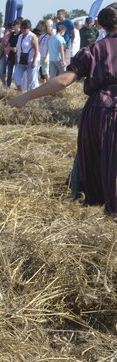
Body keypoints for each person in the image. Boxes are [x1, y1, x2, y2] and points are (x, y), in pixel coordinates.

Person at [12, 4, 117, 215]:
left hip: (97, 112)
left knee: (98, 165)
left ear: (100, 25)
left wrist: (27, 95)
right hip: (108, 111)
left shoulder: (93, 50)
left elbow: (63, 81)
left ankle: (101, 212)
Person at [13, 19, 39, 93]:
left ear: (29, 28)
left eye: (25, 28)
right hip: (21, 61)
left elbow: (36, 50)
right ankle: (22, 92)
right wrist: (16, 59)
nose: (23, 29)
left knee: (31, 81)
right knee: (16, 78)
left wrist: (34, 62)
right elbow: (18, 48)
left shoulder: (33, 37)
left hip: (30, 61)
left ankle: (33, 96)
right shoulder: (20, 36)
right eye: (22, 28)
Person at [37, 20, 52, 84]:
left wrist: (46, 57)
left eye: (42, 26)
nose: (41, 27)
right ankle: (44, 84)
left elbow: (49, 47)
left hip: (45, 56)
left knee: (45, 72)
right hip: (40, 55)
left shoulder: (49, 36)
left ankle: (49, 85)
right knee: (40, 71)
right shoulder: (40, 36)